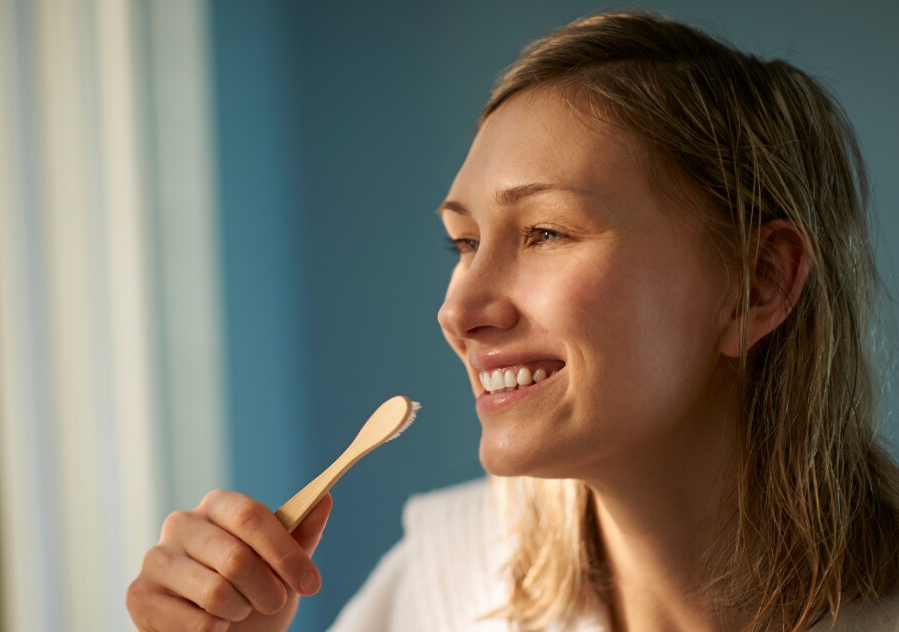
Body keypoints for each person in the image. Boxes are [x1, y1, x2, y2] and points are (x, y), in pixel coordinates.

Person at [126, 10, 899, 631]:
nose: (457, 311)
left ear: (757, 283)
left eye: (545, 233)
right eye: (463, 242)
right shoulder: (445, 585)